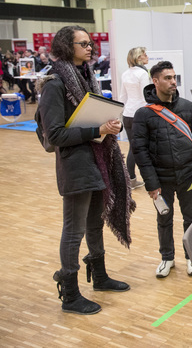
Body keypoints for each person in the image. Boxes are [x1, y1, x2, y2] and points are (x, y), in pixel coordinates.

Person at [37, 25, 133, 315]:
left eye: (90, 43)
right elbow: (54, 135)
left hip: (98, 159)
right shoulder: (55, 84)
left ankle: (100, 276)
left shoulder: (88, 76)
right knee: (73, 230)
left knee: (94, 223)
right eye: (83, 43)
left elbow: (95, 117)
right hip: (76, 165)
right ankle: (70, 294)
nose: (90, 47)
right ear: (67, 46)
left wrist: (110, 124)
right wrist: (97, 128)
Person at [133, 60, 192, 278]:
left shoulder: (186, 106)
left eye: (174, 77)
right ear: (155, 81)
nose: (173, 82)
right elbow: (140, 152)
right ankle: (167, 257)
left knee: (190, 218)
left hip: (188, 176)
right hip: (161, 179)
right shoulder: (143, 114)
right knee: (164, 219)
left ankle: (190, 258)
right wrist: (151, 183)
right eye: (167, 78)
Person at [119, 46, 150, 189]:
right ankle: (142, 178)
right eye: (144, 54)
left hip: (128, 115)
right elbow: (146, 97)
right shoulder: (143, 74)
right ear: (139, 58)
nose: (147, 56)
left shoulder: (125, 73)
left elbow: (122, 97)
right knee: (141, 148)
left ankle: (131, 178)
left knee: (133, 147)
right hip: (140, 115)